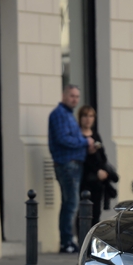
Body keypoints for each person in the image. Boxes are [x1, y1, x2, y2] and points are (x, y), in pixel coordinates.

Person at [48, 85, 94, 254]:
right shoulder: (59, 114)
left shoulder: (68, 115)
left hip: (73, 164)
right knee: (71, 203)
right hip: (67, 164)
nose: (75, 99)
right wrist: (85, 142)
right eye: (72, 96)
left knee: (69, 203)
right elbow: (63, 139)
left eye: (77, 96)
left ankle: (68, 240)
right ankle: (66, 241)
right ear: (64, 96)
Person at [78, 105, 110, 227]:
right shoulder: (78, 137)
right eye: (85, 115)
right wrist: (96, 170)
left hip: (98, 181)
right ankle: (82, 240)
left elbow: (103, 156)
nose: (88, 119)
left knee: (96, 212)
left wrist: (102, 170)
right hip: (84, 179)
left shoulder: (96, 135)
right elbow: (81, 159)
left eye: (91, 116)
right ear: (80, 118)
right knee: (83, 211)